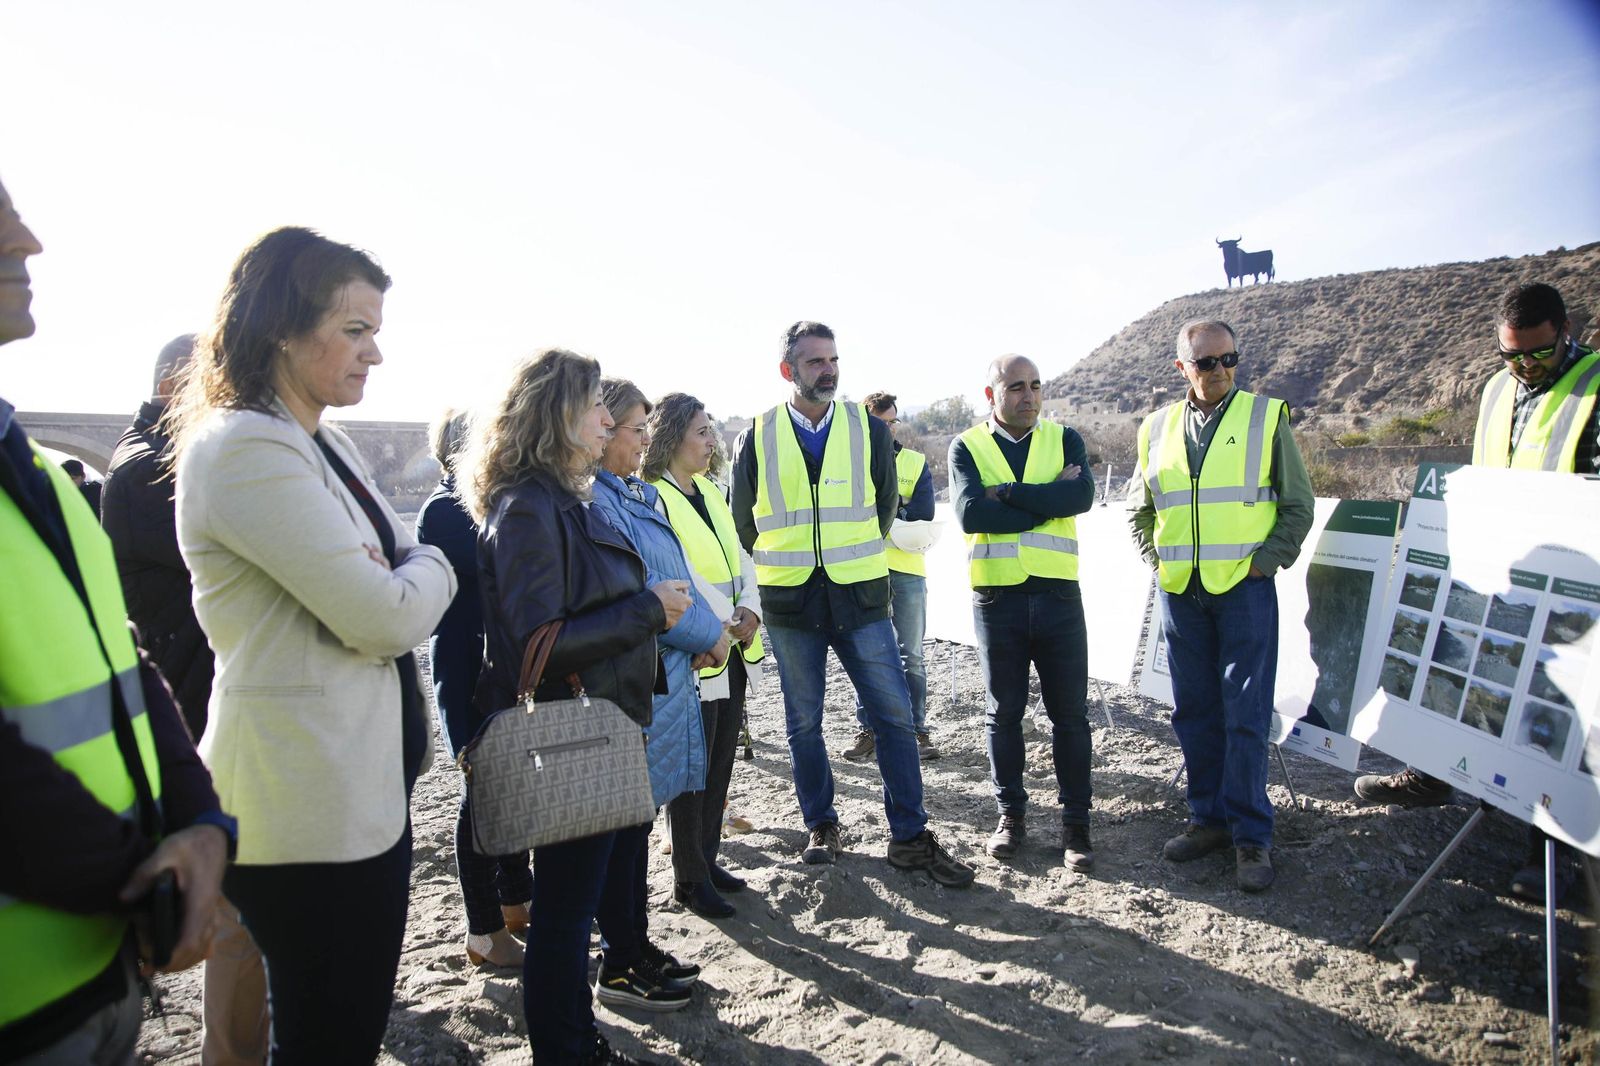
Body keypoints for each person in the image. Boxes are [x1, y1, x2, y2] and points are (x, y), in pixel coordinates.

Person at [168, 227, 457, 1064]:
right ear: (280, 330)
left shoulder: (318, 439)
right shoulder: (246, 448)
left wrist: (409, 567)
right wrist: (430, 566)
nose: (376, 353)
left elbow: (401, 562)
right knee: (327, 1034)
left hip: (360, 792)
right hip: (305, 807)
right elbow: (386, 615)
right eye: (355, 329)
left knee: (347, 1024)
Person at [0, 174, 234, 1064]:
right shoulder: (137, 473)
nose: (28, 238)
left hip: (100, 975)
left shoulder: (30, 471)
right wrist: (141, 878)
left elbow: (120, 659)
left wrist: (200, 824)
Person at [465, 349, 693, 1066]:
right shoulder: (531, 506)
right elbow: (538, 642)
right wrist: (647, 610)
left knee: (569, 912)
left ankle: (576, 1038)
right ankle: (566, 1050)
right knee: (563, 918)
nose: (608, 418)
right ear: (559, 413)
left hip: (601, 724)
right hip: (572, 732)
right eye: (597, 404)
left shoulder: (563, 496)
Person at [1355, 281, 1598, 901]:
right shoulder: (1496, 391)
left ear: (1564, 331)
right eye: (1510, 355)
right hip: (1500, 568)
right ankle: (1434, 774)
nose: (1523, 367)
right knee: (1468, 669)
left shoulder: (1595, 385)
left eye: (1537, 355)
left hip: (1576, 580)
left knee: (1562, 711)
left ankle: (1560, 849)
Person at [730, 320, 974, 888]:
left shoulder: (867, 428)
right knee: (803, 723)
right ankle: (822, 826)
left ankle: (910, 837)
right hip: (790, 604)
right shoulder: (757, 436)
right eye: (815, 362)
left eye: (834, 359)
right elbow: (744, 522)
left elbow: (886, 505)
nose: (829, 370)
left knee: (893, 718)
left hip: (862, 598)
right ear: (788, 371)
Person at [101, 332, 267, 1065]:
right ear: (180, 384)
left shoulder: (164, 463)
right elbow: (256, 551)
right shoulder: (147, 472)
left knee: (252, 906)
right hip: (194, 705)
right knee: (239, 911)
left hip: (204, 696)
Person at [1130, 319, 1312, 892]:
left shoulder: (1265, 417)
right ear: (1181, 367)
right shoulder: (1155, 428)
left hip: (1244, 592)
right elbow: (1140, 511)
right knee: (1195, 712)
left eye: (1229, 360)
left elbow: (1297, 506)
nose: (1219, 372)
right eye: (1206, 363)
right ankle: (1208, 819)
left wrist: (1265, 562)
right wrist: (1159, 565)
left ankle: (1251, 837)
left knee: (1246, 715)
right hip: (1182, 592)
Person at [591, 378, 726, 984]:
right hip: (645, 679)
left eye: (649, 429)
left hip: (664, 676)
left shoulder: (630, 493)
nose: (646, 441)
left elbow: (681, 583)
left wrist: (711, 626)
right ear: (600, 430)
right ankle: (623, 957)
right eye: (636, 430)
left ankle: (634, 946)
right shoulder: (599, 502)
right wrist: (710, 635)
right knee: (624, 830)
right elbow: (647, 592)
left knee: (637, 827)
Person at [950, 356, 1097, 869]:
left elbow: (1080, 496)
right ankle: (1010, 817)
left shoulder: (1065, 439)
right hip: (998, 600)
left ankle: (1077, 827)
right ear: (991, 395)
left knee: (1071, 717)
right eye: (1016, 387)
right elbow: (971, 513)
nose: (1029, 396)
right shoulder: (966, 446)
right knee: (1004, 714)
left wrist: (1009, 493)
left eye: (1036, 385)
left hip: (1059, 598)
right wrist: (1048, 497)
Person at [416, 408, 531, 970]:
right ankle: (483, 929)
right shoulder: (446, 510)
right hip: (466, 676)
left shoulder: (475, 505)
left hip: (490, 672)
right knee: (481, 797)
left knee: (506, 789)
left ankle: (515, 900)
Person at [644, 392, 765, 915]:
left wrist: (751, 609)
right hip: (699, 650)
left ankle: (707, 858)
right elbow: (679, 576)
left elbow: (741, 556)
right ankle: (689, 877)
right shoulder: (653, 497)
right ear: (672, 436)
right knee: (692, 773)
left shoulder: (712, 490)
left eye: (711, 429)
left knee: (719, 766)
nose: (710, 439)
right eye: (701, 431)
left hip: (733, 648)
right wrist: (723, 622)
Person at [841, 391, 937, 763]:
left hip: (908, 570)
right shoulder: (848, 462)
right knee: (866, 655)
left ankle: (918, 731)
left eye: (892, 421)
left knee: (911, 654)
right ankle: (868, 730)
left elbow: (925, 510)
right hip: (864, 571)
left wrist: (883, 507)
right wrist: (900, 508)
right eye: (880, 422)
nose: (887, 428)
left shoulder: (914, 461)